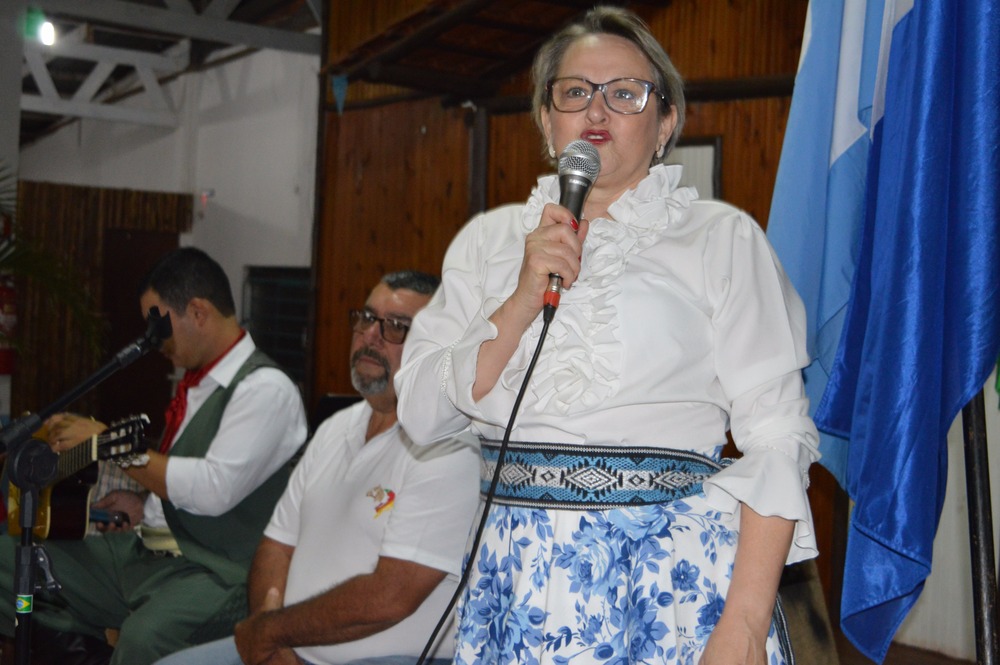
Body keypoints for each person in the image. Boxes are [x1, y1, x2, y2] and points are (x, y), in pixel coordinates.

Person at [394, 7, 821, 665]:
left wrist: (741, 624)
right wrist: (521, 296)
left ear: (666, 122)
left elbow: (778, 436)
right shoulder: (488, 242)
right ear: (545, 118)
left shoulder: (720, 237)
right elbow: (422, 419)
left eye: (626, 93)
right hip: (517, 585)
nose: (598, 109)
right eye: (575, 92)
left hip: (676, 592)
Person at [0, 247, 308, 665]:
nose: (152, 339)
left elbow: (213, 490)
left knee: (145, 638)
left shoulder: (266, 389)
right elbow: (181, 483)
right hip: (145, 552)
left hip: (218, 573)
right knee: (13, 562)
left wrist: (111, 444)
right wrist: (145, 503)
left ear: (198, 312)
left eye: (157, 323)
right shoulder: (196, 388)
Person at [155, 271, 480, 665]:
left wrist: (271, 631)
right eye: (365, 318)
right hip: (287, 645)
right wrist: (271, 642)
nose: (370, 336)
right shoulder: (335, 428)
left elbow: (390, 597)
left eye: (397, 327)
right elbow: (276, 546)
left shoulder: (451, 448)